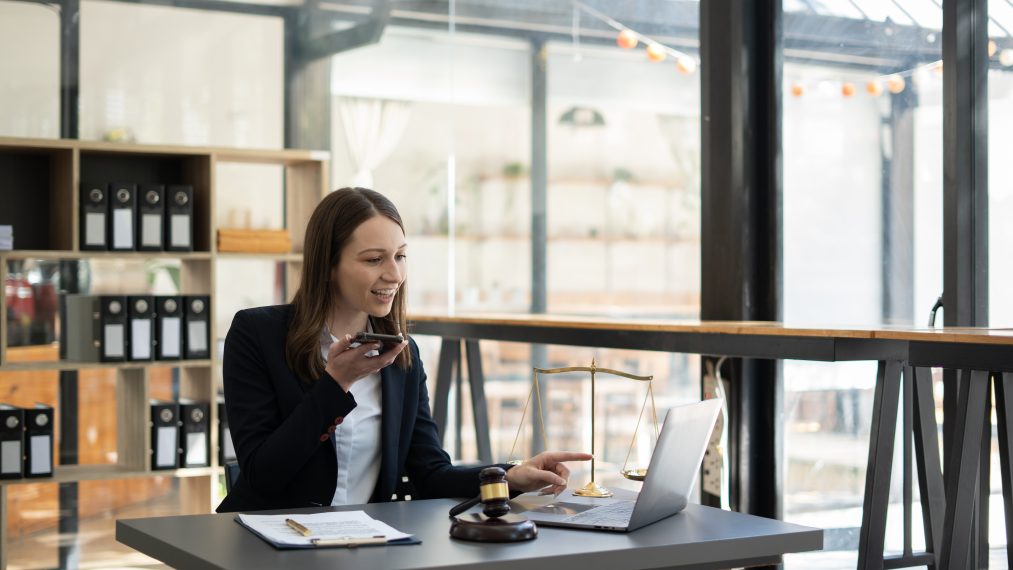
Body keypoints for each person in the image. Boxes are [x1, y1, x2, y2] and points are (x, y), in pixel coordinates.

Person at [216, 187, 591, 512]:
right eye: (374, 259)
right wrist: (335, 384)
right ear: (328, 264)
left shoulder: (401, 355)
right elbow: (263, 475)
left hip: (364, 543)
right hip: (266, 544)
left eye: (400, 256)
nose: (394, 274)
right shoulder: (256, 335)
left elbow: (431, 474)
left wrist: (511, 476)